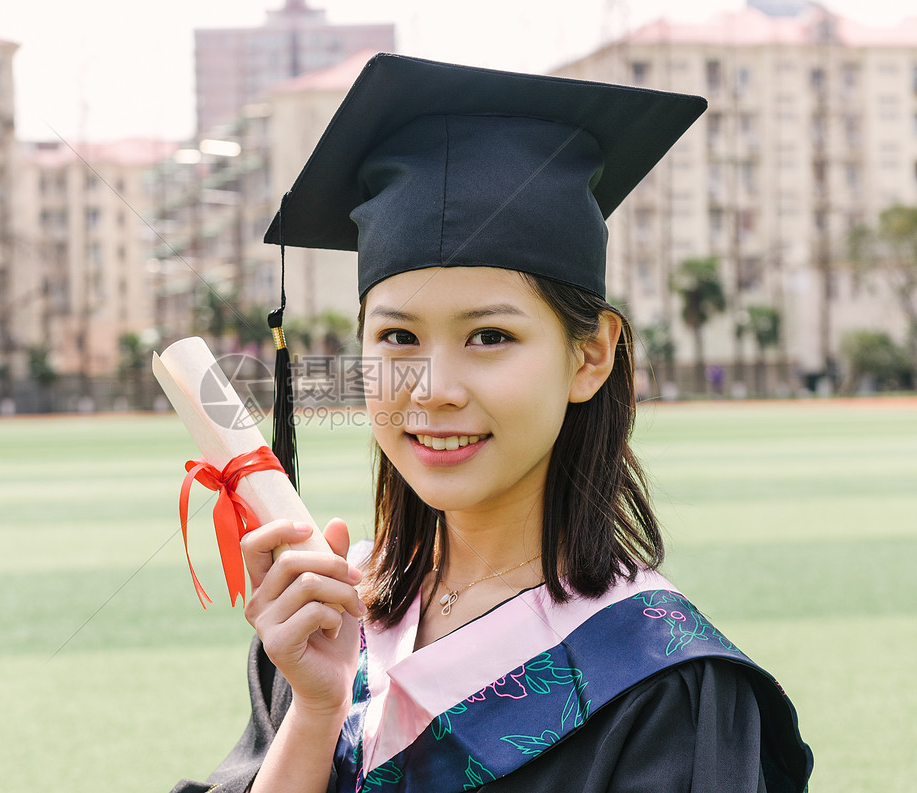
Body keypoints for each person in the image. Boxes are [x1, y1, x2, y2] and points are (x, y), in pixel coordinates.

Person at [171, 54, 812, 793]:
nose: (434, 390)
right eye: (398, 337)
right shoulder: (325, 621)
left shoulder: (661, 684)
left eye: (490, 337)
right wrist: (314, 711)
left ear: (590, 354)